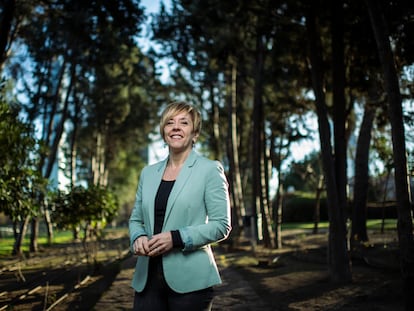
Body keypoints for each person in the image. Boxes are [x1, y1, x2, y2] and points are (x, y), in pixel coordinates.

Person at [129, 101, 232, 311]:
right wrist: (137, 236)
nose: (175, 127)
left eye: (183, 122)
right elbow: (136, 219)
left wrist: (176, 238)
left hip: (191, 282)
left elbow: (221, 225)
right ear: (164, 131)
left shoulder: (210, 169)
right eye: (170, 122)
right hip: (146, 280)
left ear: (194, 133)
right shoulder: (147, 173)